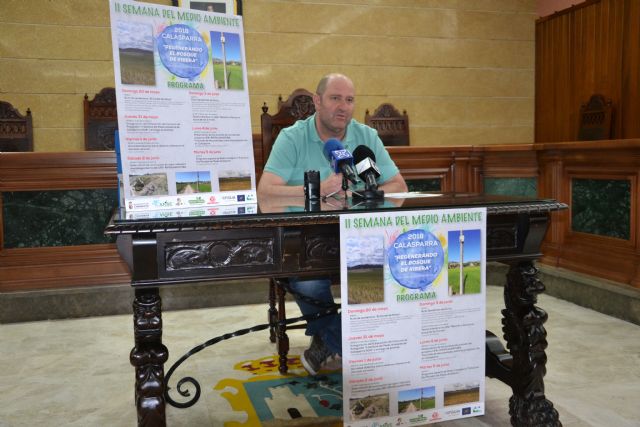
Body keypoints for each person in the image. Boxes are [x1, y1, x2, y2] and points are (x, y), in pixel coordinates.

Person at [257, 73, 408, 375]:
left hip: (360, 238)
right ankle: (356, 345)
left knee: (374, 276)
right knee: (309, 280)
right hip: (306, 241)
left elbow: (398, 187)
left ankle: (327, 342)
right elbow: (266, 192)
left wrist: (361, 194)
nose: (343, 107)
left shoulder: (366, 137)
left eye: (349, 100)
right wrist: (315, 190)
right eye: (335, 98)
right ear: (317, 101)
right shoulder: (292, 137)